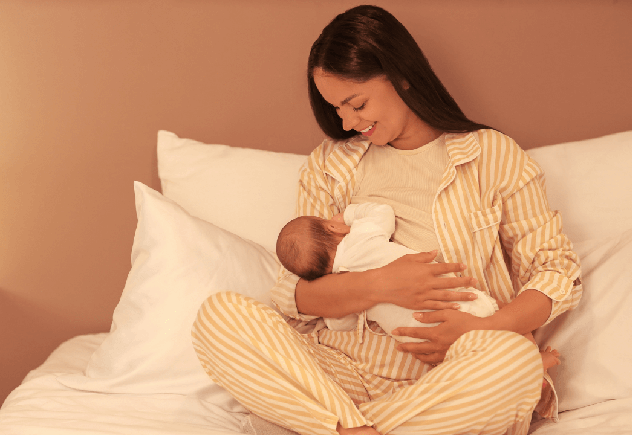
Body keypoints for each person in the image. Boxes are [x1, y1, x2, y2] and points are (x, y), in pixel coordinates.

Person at [192, 5, 581, 435]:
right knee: (219, 316)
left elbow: (555, 272)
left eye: (355, 103)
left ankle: (331, 428)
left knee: (513, 364)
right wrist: (381, 284)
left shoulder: (492, 156)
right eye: (336, 108)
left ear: (401, 76)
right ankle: (348, 426)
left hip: (447, 380)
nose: (346, 121)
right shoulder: (330, 167)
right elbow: (296, 296)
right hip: (336, 373)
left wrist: (484, 326)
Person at [274, 202, 562, 375]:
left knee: (467, 367)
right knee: (502, 331)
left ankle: (521, 372)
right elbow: (381, 212)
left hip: (424, 341)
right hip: (457, 305)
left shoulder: (338, 292)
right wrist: (347, 215)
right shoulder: (360, 237)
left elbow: (341, 324)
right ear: (332, 229)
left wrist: (351, 301)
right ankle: (529, 365)